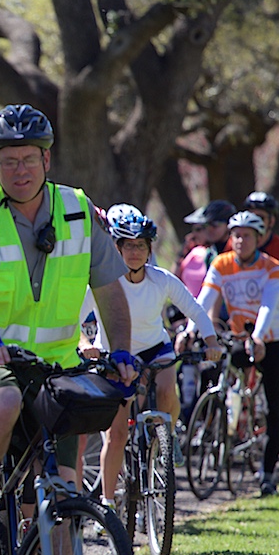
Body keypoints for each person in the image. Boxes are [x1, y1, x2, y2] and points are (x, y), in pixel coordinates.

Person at [0, 104, 136, 555]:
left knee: (62, 492)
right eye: (9, 161)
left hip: (56, 367)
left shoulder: (79, 210)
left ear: (47, 161)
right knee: (3, 403)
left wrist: (123, 350)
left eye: (29, 159)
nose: (19, 170)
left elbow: (109, 289)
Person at [98, 205, 220, 510]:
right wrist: (88, 344)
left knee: (167, 390)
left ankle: (168, 439)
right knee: (116, 433)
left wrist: (210, 339)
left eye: (141, 246)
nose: (135, 252)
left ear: (149, 249)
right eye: (128, 246)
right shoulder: (102, 282)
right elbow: (80, 319)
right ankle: (107, 502)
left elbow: (193, 308)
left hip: (155, 348)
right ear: (116, 248)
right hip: (117, 353)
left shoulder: (161, 279)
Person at [185, 211, 279, 497]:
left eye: (246, 235)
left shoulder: (273, 267)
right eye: (236, 235)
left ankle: (267, 475)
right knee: (219, 374)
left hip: (274, 338)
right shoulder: (221, 263)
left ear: (258, 239)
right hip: (240, 336)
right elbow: (204, 299)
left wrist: (258, 336)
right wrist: (188, 330)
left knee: (274, 405)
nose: (240, 240)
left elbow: (270, 307)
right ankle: (230, 414)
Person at [243, 191, 279, 329]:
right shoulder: (234, 247)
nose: (255, 221)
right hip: (242, 317)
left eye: (261, 217)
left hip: (278, 317)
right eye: (251, 216)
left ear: (272, 220)